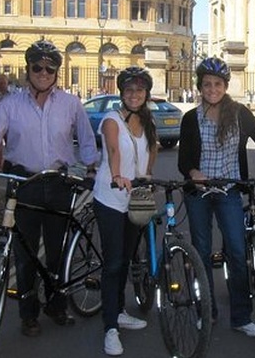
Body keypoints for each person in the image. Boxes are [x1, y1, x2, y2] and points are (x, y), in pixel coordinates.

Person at [0, 40, 99, 338]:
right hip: (24, 184)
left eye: (50, 68)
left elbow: (87, 139)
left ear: (56, 73)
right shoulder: (10, 104)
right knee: (24, 255)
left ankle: (57, 305)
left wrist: (91, 167)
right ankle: (29, 314)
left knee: (57, 252)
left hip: (59, 183)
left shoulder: (70, 104)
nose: (43, 72)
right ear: (28, 70)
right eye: (37, 67)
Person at [178, 57, 255, 337]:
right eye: (207, 84)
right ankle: (205, 311)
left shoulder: (239, 113)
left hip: (229, 190)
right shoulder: (190, 118)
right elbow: (184, 161)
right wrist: (194, 172)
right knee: (201, 251)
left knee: (237, 250)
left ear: (225, 86)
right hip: (199, 193)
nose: (212, 89)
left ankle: (241, 316)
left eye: (217, 84)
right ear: (200, 87)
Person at [93, 67, 157, 356]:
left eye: (140, 91)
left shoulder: (147, 122)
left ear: (146, 95)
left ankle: (118, 310)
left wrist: (147, 176)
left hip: (135, 201)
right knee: (113, 263)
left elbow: (151, 150)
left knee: (127, 257)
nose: (134, 95)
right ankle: (110, 329)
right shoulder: (111, 120)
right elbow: (114, 150)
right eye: (129, 90)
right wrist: (118, 175)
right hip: (111, 198)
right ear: (122, 93)